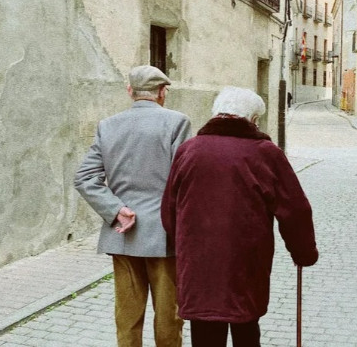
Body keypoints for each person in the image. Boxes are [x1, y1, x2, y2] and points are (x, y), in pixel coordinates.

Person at [160, 86, 318, 347]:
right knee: (246, 326)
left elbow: (169, 209)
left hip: (199, 264)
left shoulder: (189, 150)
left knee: (204, 329)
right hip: (246, 262)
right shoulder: (265, 153)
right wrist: (303, 252)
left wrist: (184, 245)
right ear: (253, 120)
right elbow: (295, 210)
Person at [74, 65, 191, 347]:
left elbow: (84, 177)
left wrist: (115, 210)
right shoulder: (178, 122)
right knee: (168, 317)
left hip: (123, 233)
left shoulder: (108, 125)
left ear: (130, 91)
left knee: (127, 318)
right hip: (165, 235)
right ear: (162, 93)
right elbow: (185, 178)